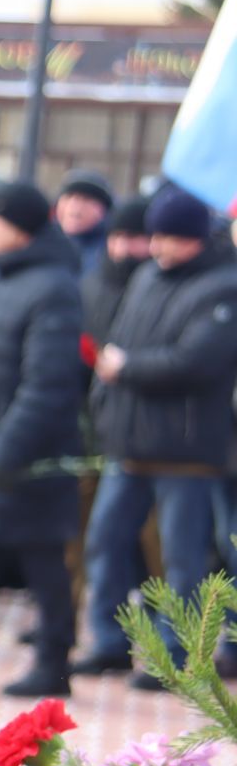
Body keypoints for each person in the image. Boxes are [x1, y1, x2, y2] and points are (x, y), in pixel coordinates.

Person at [79, 184, 237, 688]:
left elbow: (198, 361)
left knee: (182, 559)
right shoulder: (146, 276)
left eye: (170, 238)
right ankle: (107, 642)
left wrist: (124, 369)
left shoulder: (224, 287)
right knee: (104, 542)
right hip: (128, 444)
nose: (158, 247)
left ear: (195, 238)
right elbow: (119, 339)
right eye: (156, 237)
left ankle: (177, 654)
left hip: (186, 452)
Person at [0, 181, 86, 697]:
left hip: (33, 454)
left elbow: (48, 382)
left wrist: (2, 455)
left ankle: (54, 665)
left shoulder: (53, 285)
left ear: (18, 226)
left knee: (44, 558)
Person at [80, 195, 151, 352]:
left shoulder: (158, 286)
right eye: (116, 237)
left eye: (133, 238)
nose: (122, 248)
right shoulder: (92, 283)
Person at [56, 168, 115, 277]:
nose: (74, 205)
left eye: (85, 199)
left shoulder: (110, 250)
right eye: (69, 197)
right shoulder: (43, 241)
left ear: (104, 209)